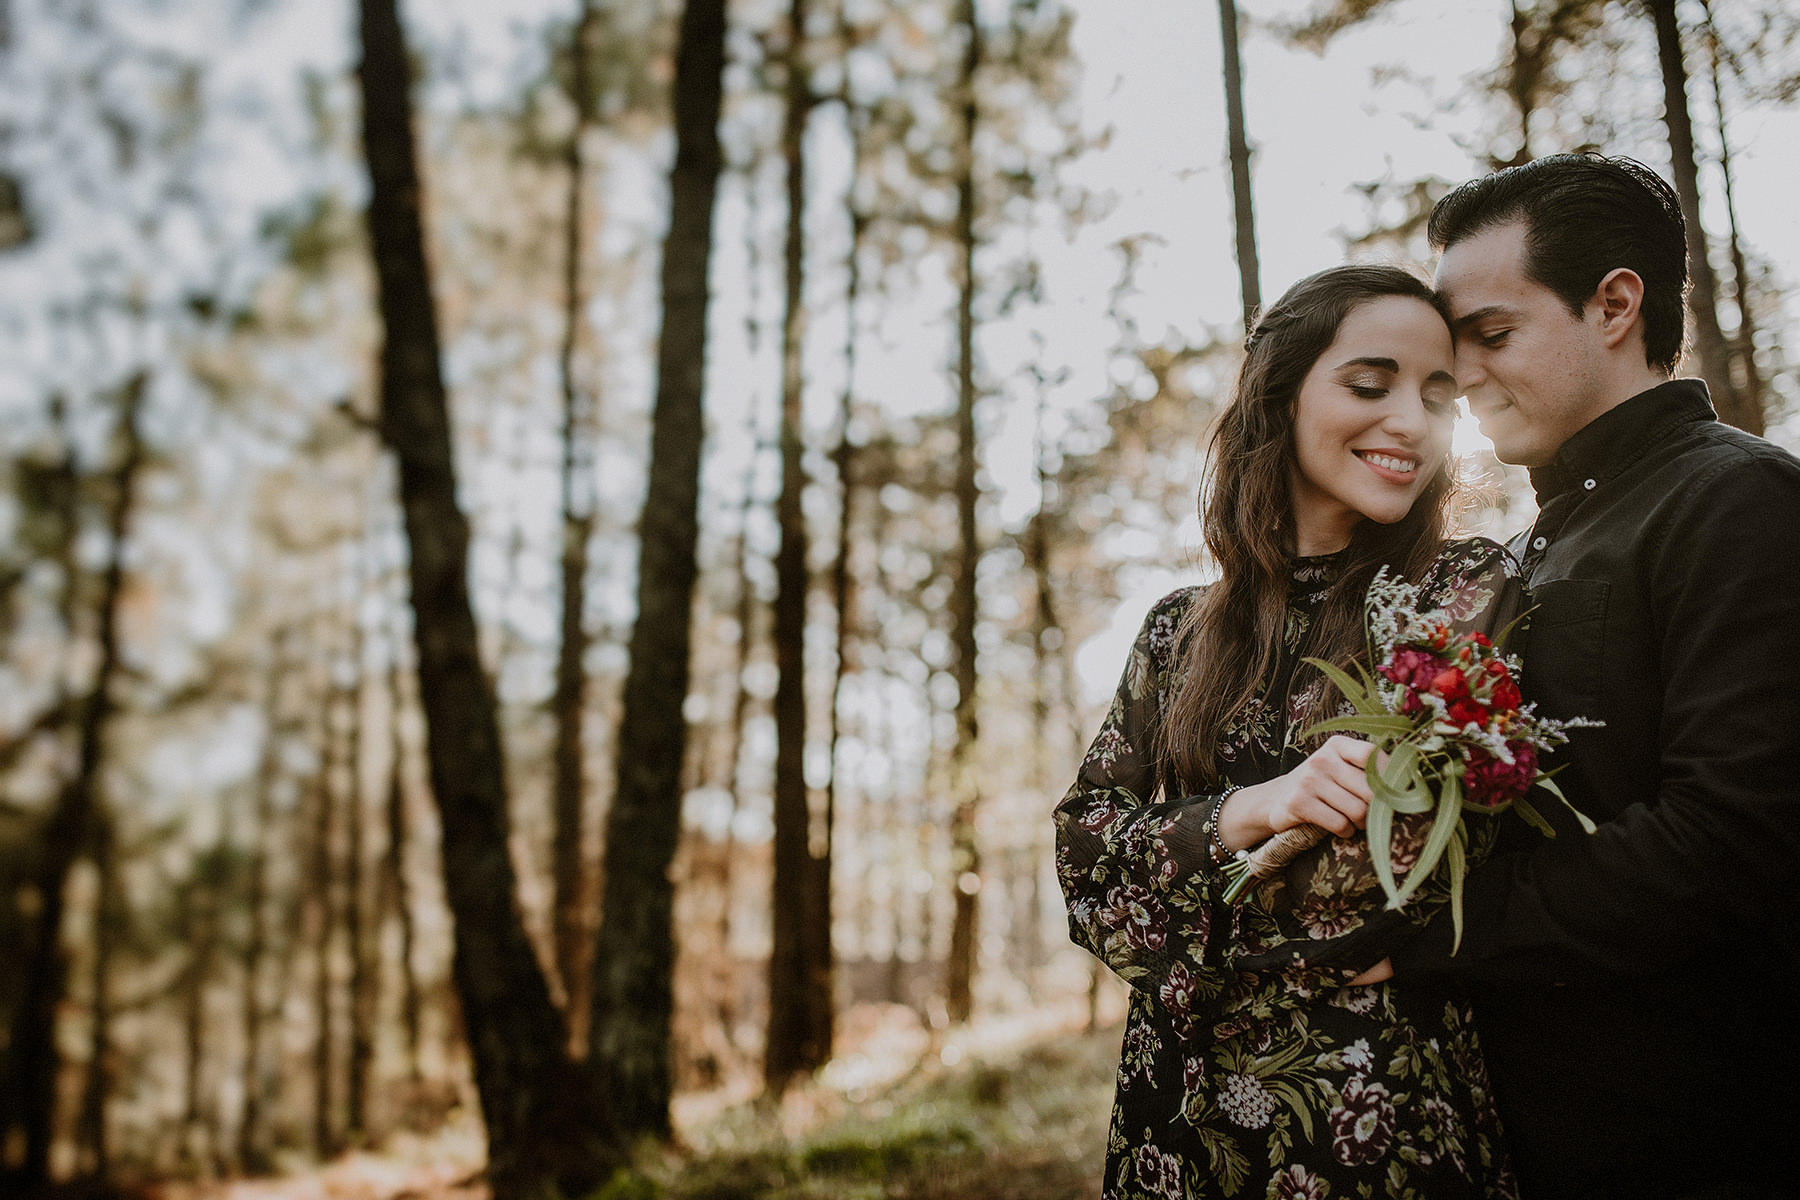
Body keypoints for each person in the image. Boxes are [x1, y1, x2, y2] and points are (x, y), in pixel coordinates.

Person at [1370, 153, 1800, 1198]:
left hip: (1701, 1133)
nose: (1461, 375)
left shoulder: (1743, 502)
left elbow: (1731, 837)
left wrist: (1433, 937)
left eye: (1493, 334)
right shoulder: (1526, 550)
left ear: (1614, 304)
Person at [1056, 263, 1525, 1199]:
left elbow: (1364, 897)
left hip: (1369, 1105)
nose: (1410, 421)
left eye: (1438, 396)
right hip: (1177, 1110)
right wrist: (1248, 812)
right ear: (1283, 393)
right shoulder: (1173, 631)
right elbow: (1084, 871)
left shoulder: (1463, 592)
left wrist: (1177, 896)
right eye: (1369, 383)